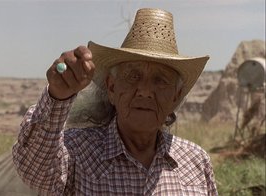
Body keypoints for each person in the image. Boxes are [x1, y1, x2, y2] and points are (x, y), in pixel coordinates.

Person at [12, 8, 218, 195]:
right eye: (133, 76)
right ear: (112, 88)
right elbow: (34, 172)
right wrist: (58, 95)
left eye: (160, 80)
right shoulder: (76, 150)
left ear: (176, 95)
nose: (145, 91)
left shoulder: (195, 160)